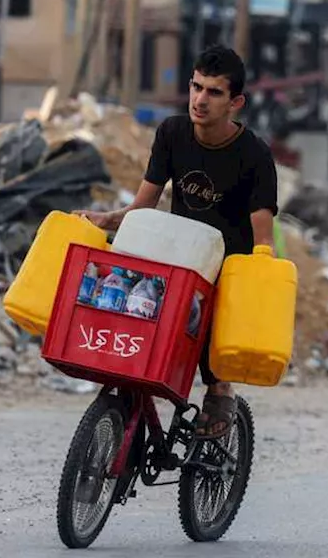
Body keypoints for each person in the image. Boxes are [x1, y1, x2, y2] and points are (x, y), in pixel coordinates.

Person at [74, 44, 277, 440]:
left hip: (226, 266)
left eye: (214, 92)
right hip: (177, 255)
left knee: (207, 323)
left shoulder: (254, 156)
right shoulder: (172, 132)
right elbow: (144, 204)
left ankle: (220, 391)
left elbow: (262, 237)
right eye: (196, 87)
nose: (200, 99)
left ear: (235, 102)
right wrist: (107, 221)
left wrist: (259, 280)